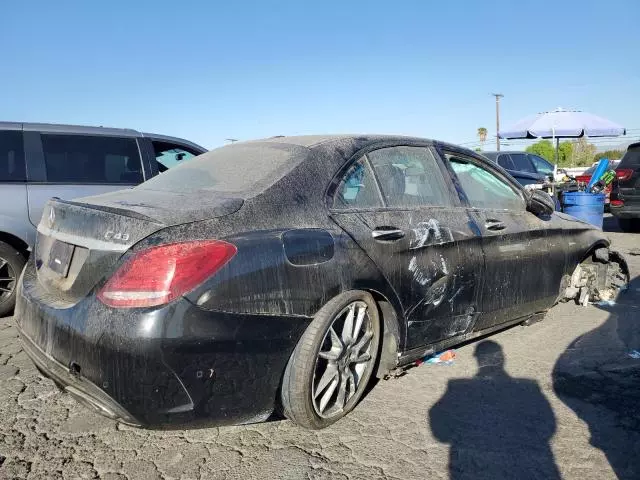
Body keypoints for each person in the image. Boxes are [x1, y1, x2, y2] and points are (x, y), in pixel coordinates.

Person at [430, 340, 561, 480]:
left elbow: (439, 430)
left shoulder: (457, 387)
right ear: (502, 358)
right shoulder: (530, 389)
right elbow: (549, 426)